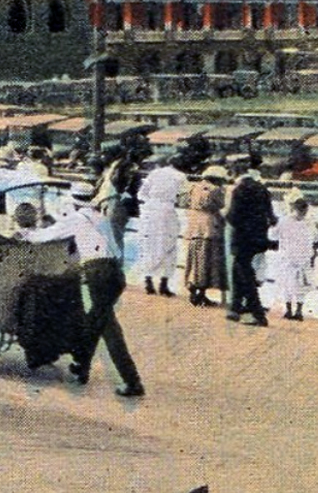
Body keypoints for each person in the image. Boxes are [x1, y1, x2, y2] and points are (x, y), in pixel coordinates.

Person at [22, 181, 146, 397]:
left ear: (73, 201)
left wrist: (25, 234)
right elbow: (115, 249)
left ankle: (131, 381)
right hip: (115, 272)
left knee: (107, 330)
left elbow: (46, 235)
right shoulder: (102, 218)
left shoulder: (77, 219)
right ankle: (82, 368)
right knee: (99, 323)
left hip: (97, 273)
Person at [224, 159, 275, 327]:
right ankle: (236, 307)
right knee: (240, 268)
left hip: (242, 238)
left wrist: (224, 214)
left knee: (244, 272)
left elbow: (233, 217)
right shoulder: (262, 188)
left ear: (236, 173)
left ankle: (257, 313)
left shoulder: (239, 190)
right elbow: (271, 216)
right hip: (259, 237)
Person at [134, 153, 188, 297]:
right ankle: (163, 285)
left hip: (149, 211)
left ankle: (148, 282)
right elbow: (184, 197)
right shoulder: (181, 177)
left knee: (149, 245)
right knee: (169, 247)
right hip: (167, 211)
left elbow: (141, 194)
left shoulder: (154, 173)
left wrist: (151, 202)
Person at [268, 195, 318, 322]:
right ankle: (299, 310)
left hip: (287, 256)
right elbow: (317, 239)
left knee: (286, 283)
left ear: (293, 208)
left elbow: (272, 236)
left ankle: (288, 310)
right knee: (301, 285)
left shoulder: (284, 221)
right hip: (304, 257)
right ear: (306, 210)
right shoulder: (311, 223)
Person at [181, 165, 229, 307]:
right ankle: (201, 294)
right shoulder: (216, 190)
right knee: (206, 262)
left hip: (194, 226)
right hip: (210, 227)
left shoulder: (194, 187)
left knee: (194, 260)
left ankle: (192, 290)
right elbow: (220, 206)